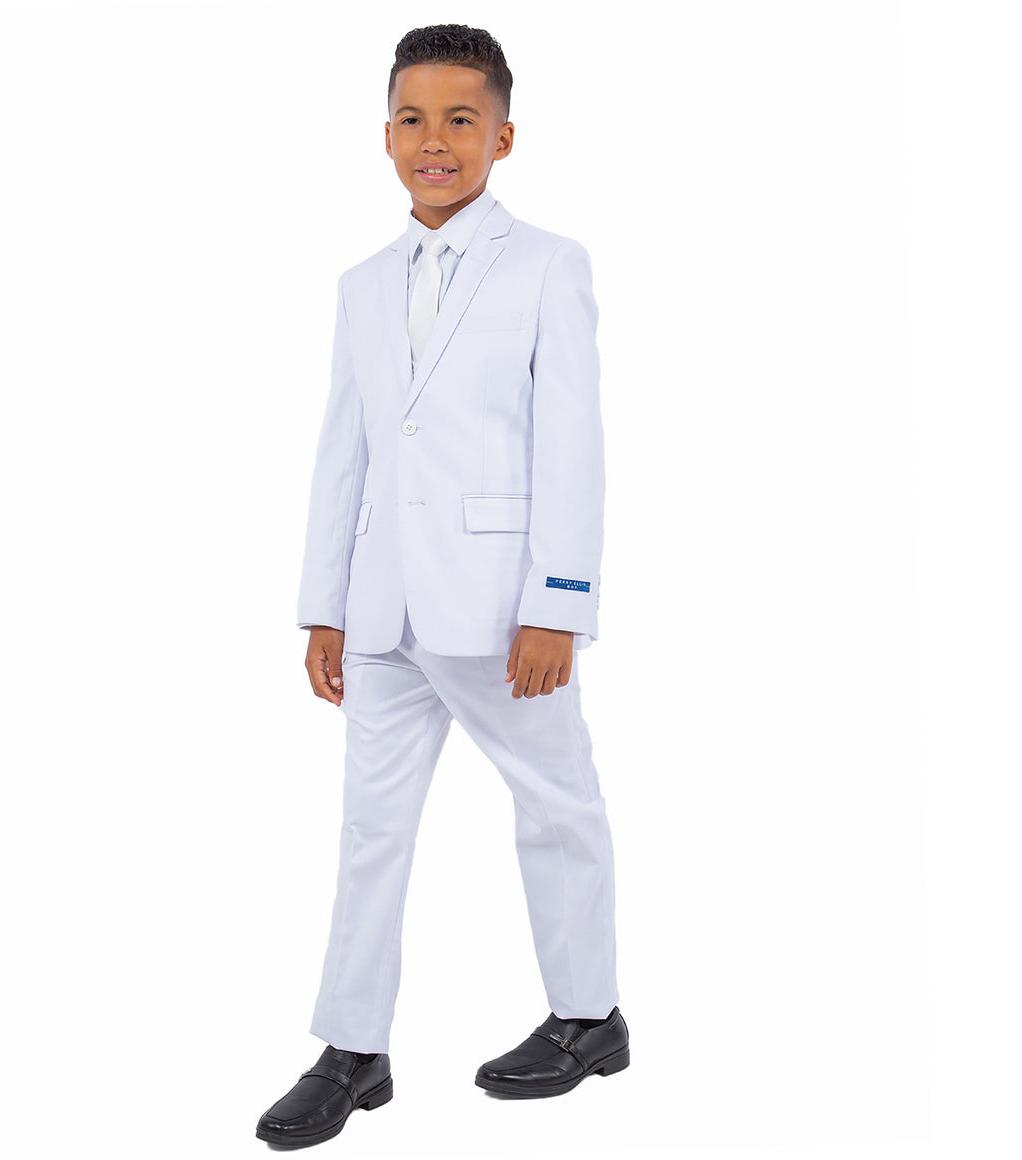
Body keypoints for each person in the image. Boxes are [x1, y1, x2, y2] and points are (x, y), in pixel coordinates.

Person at [256, 23, 627, 1149]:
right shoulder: (362, 284)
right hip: (383, 611)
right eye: (412, 119)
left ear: (502, 138)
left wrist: (556, 601)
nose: (435, 140)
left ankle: (588, 1016)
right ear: (384, 137)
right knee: (369, 830)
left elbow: (571, 443)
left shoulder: (547, 264)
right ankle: (352, 1047)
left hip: (502, 609)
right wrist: (323, 603)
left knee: (555, 806)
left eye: (460, 120)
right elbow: (345, 449)